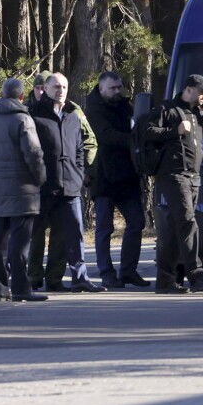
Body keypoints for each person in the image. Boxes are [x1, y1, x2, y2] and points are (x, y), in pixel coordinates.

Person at [145, 74, 203, 294]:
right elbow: (148, 131)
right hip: (173, 175)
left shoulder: (199, 112)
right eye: (201, 91)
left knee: (172, 229)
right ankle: (196, 275)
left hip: (193, 176)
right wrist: (175, 131)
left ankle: (165, 280)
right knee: (188, 223)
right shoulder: (167, 110)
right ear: (188, 90)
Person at [30, 72, 106, 293]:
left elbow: (81, 146)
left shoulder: (73, 113)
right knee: (34, 234)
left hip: (70, 185)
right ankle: (30, 277)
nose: (61, 90)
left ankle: (71, 278)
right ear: (45, 88)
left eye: (64, 86)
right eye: (56, 86)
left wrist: (79, 171)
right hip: (42, 186)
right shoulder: (34, 114)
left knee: (72, 234)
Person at [0, 78, 48, 302]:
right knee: (19, 242)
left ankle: (0, 289)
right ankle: (21, 288)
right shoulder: (23, 119)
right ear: (21, 96)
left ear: (1, 93)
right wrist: (40, 178)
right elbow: (34, 154)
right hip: (23, 189)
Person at [84, 71, 149, 289]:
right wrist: (134, 140)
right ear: (101, 88)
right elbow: (106, 136)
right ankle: (106, 273)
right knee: (104, 228)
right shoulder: (93, 108)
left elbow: (138, 125)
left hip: (127, 175)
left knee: (137, 222)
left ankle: (128, 270)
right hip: (104, 177)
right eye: (113, 88)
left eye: (119, 87)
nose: (117, 91)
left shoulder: (124, 105)